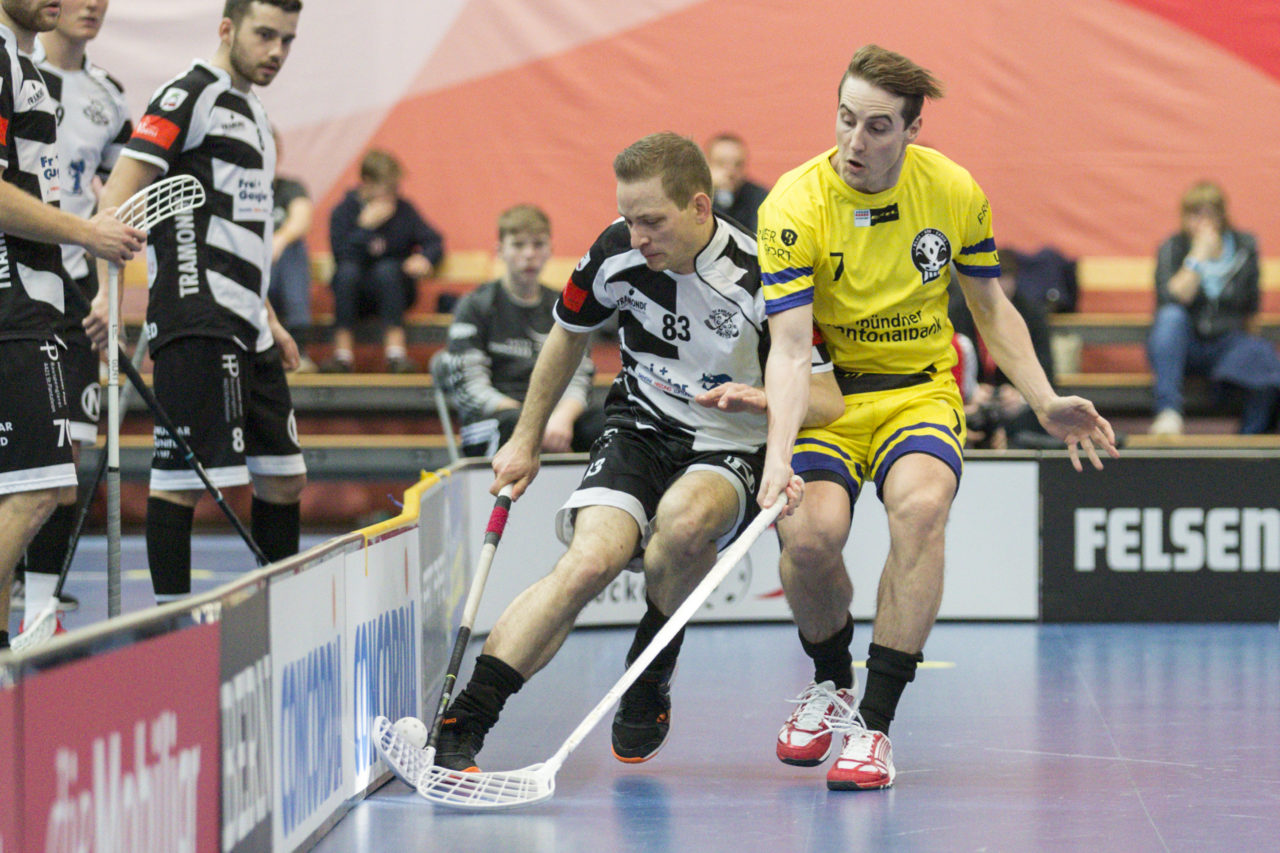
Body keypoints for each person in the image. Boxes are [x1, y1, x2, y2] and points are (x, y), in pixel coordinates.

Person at [756, 45, 1118, 791]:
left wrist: (1045, 398)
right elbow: (789, 350)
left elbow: (990, 306)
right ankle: (831, 680)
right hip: (828, 392)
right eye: (847, 119)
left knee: (921, 509)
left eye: (879, 127)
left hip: (919, 389)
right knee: (812, 539)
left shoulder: (953, 191)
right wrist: (777, 452)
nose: (857, 141)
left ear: (913, 129)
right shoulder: (792, 205)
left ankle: (875, 725)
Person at [432, 132, 843, 772]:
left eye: (652, 221)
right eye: (629, 218)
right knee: (590, 560)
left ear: (701, 207)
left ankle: (649, 670)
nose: (637, 235)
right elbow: (566, 339)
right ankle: (465, 723)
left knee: (681, 527)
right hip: (639, 423)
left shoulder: (761, 272)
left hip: (727, 441)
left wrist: (762, 400)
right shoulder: (612, 251)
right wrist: (525, 438)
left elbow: (827, 399)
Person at [86, 0, 307, 604]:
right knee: (180, 480)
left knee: (285, 480)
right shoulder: (189, 94)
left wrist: (272, 317)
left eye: (287, 40)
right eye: (265, 36)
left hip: (248, 321)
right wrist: (112, 293)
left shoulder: (256, 113)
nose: (276, 52)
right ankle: (171, 627)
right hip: (195, 313)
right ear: (227, 29)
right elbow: (122, 198)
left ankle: (277, 609)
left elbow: (246, 234)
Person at [0, 0, 142, 647]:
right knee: (40, 486)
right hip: (18, 293)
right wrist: (88, 233)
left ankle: (22, 631)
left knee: (36, 480)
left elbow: (123, 189)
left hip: (57, 286)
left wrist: (101, 277)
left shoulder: (65, 79)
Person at [432, 204, 606, 457]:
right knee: (513, 425)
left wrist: (560, 418)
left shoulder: (565, 306)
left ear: (550, 251)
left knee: (609, 423)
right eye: (518, 245)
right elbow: (472, 389)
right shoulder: (474, 305)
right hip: (495, 419)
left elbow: (580, 379)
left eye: (538, 245)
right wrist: (532, 423)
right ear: (500, 251)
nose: (529, 254)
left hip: (553, 420)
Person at [1147, 181, 1280, 436]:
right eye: (1194, 214)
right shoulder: (1173, 247)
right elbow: (1172, 297)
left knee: (1266, 363)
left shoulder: (1244, 247)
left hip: (1228, 342)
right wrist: (1197, 257)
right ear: (1184, 217)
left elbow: (1251, 308)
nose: (1201, 222)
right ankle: (1168, 412)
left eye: (1208, 214)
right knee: (1170, 317)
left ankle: (1249, 439)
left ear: (1221, 215)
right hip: (1184, 345)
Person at [321, 149, 444, 374]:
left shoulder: (404, 210)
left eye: (396, 188)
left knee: (387, 269)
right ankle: (342, 356)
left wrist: (425, 258)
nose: (393, 196)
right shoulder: (344, 211)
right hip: (354, 294)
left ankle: (396, 355)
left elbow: (434, 241)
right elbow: (341, 255)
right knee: (347, 273)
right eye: (387, 189)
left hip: (395, 290)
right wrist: (364, 228)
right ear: (366, 183)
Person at [268, 125, 316, 371]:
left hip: (282, 272)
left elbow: (302, 218)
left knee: (293, 248)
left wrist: (280, 239)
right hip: (252, 276)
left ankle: (299, 345)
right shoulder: (239, 191)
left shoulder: (290, 188)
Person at [705, 132, 769, 232]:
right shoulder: (692, 198)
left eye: (738, 164)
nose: (730, 172)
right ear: (706, 165)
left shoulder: (758, 198)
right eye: (721, 163)